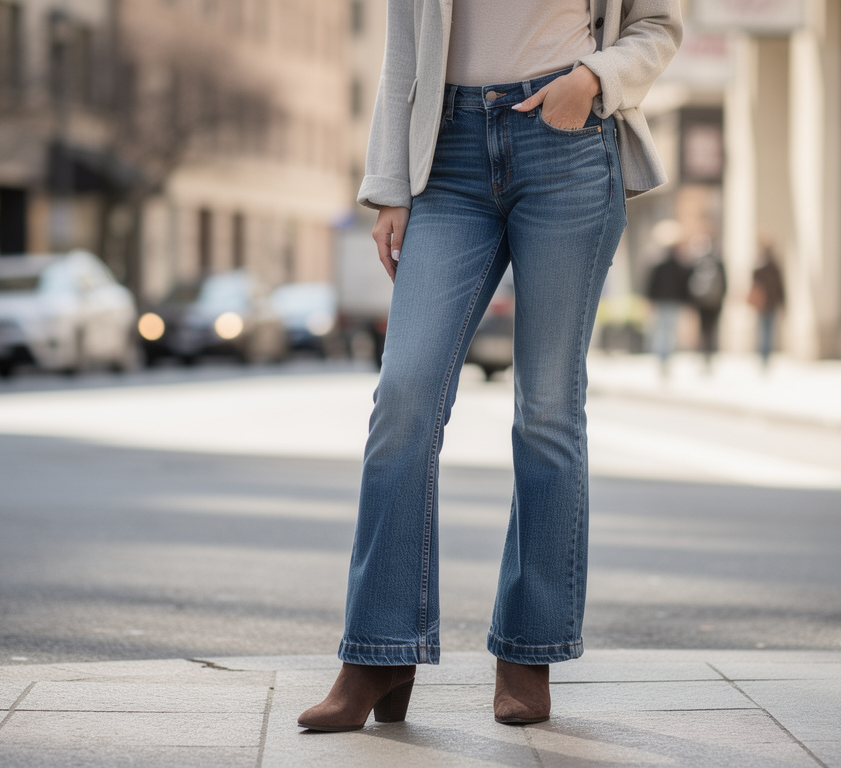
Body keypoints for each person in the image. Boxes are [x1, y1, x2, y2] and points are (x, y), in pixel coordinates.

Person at [298, 0, 681, 732]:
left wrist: (593, 80)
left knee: (547, 410)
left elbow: (656, 25)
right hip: (446, 155)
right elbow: (404, 49)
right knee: (404, 396)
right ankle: (379, 651)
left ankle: (527, 651)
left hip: (566, 144)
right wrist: (387, 184)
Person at [645, 240, 693, 377]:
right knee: (668, 331)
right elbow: (684, 286)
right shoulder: (679, 266)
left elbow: (651, 285)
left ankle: (662, 357)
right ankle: (664, 357)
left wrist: (650, 300)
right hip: (672, 302)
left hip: (662, 301)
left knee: (662, 330)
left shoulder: (660, 265)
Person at [688, 234, 727, 373]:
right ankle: (710, 355)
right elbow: (725, 282)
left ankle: (703, 355)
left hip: (701, 301)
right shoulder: (718, 260)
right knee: (712, 329)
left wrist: (691, 300)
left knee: (703, 329)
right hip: (715, 301)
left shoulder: (696, 261)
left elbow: (689, 282)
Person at [749, 241, 786, 371]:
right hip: (767, 302)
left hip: (767, 302)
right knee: (767, 330)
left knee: (764, 330)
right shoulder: (771, 265)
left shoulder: (763, 265)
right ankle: (764, 356)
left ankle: (764, 356)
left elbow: (780, 287)